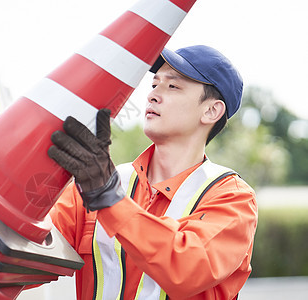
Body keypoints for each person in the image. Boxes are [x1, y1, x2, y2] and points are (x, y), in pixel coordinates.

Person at [48, 45, 258, 300]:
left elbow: (186, 268)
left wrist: (109, 199)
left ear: (211, 111)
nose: (153, 95)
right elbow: (29, 254)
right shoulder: (94, 184)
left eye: (172, 86)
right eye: (154, 85)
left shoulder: (233, 199)